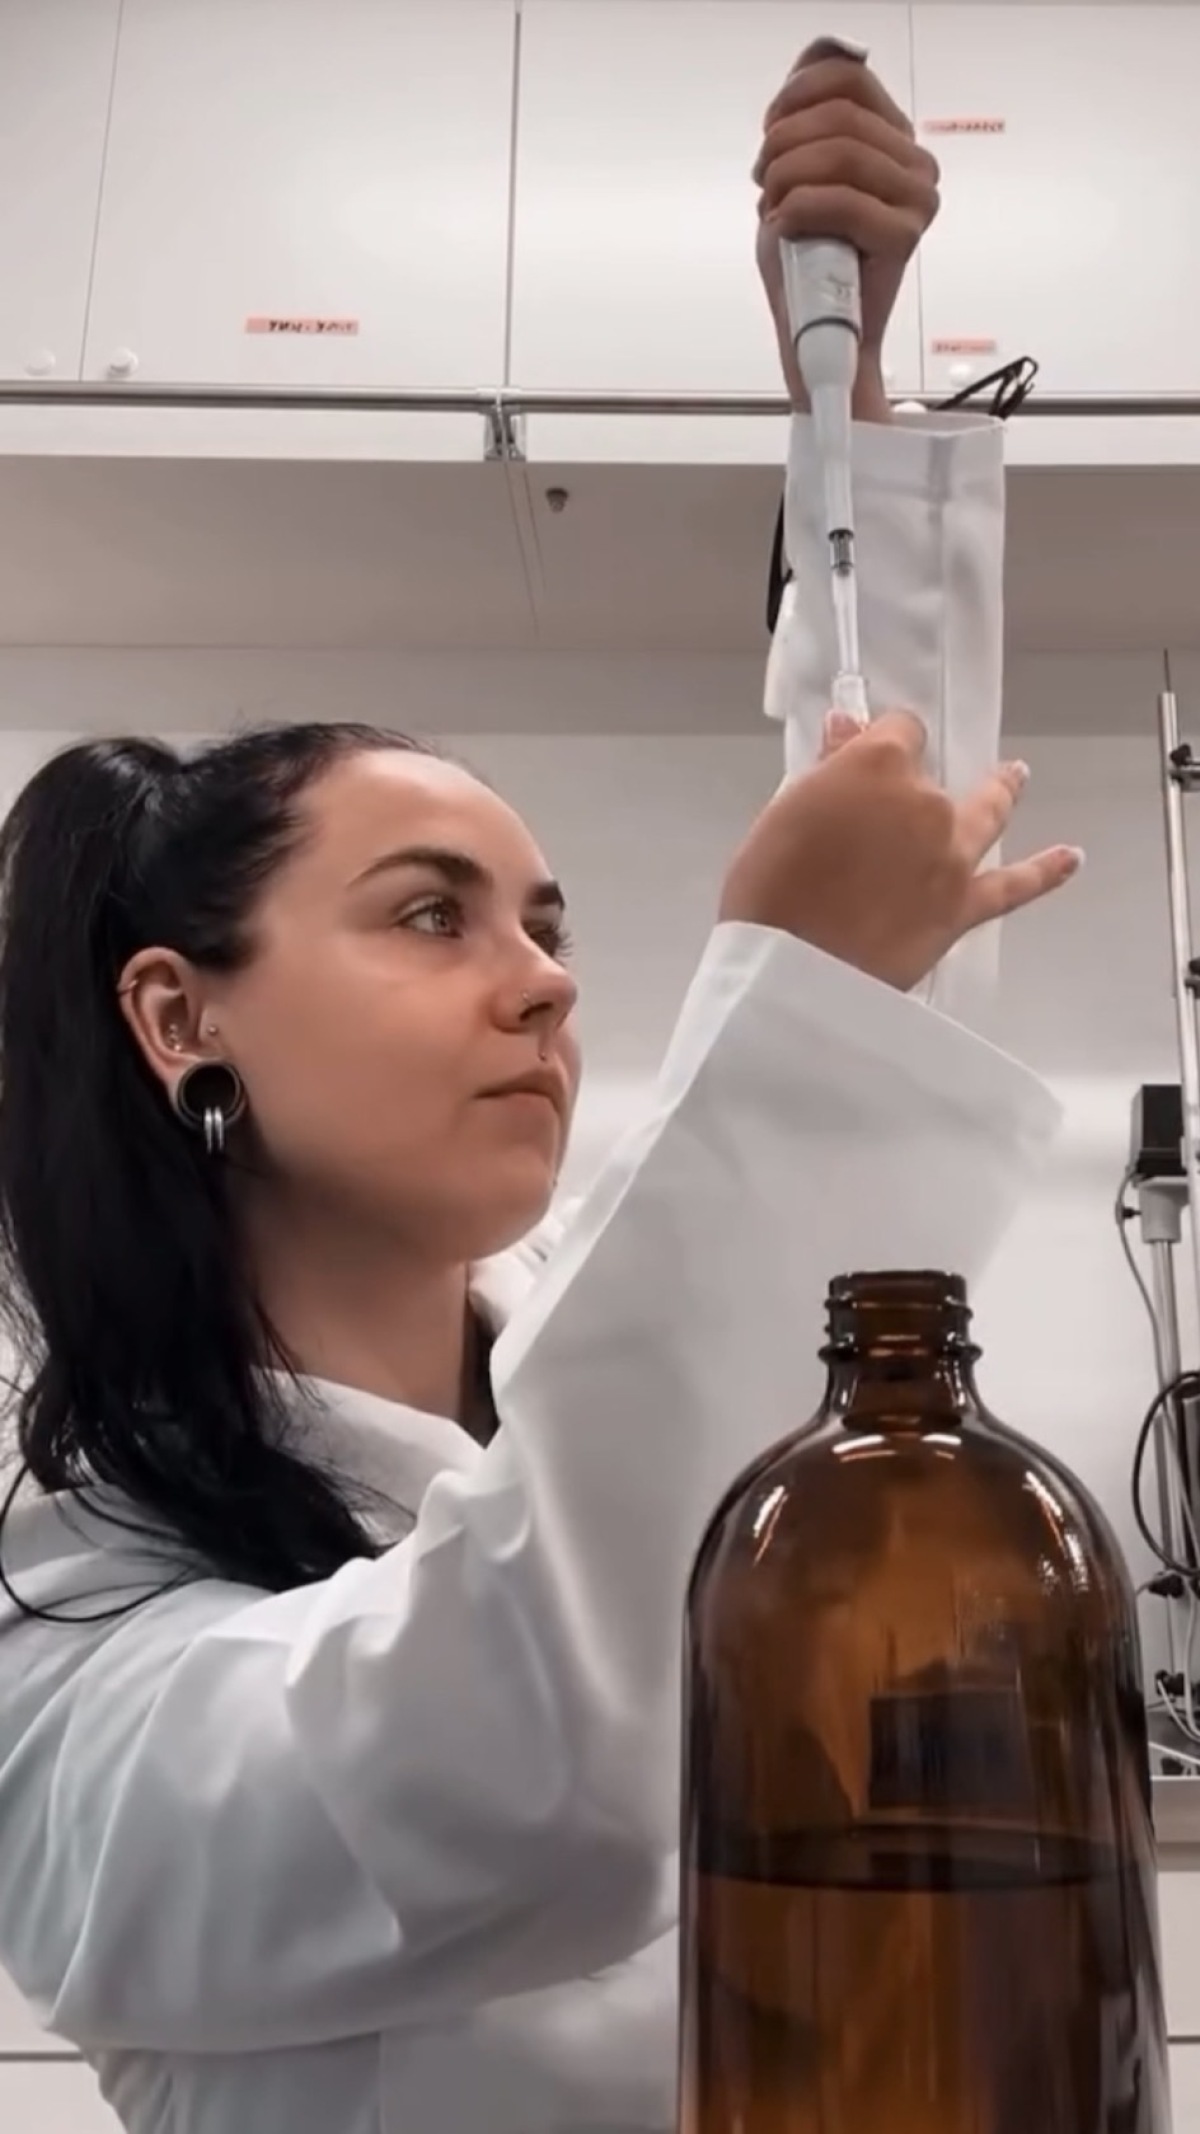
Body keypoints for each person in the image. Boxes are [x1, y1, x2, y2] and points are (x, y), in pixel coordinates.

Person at [0, 48, 1080, 2134]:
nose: (547, 981)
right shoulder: (74, 1596)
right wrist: (803, 1001)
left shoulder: (583, 1352)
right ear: (179, 1013)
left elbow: (835, 1132)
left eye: (552, 920)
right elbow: (539, 1744)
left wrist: (852, 430)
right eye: (431, 914)